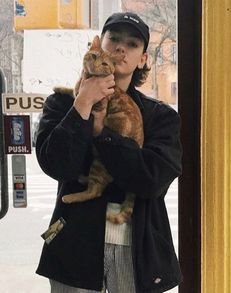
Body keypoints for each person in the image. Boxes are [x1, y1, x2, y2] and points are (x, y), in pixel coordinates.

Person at [35, 12, 183, 293]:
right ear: (97, 46)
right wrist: (83, 104)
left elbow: (151, 180)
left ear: (142, 59)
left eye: (132, 44)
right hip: (74, 248)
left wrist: (103, 132)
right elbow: (57, 165)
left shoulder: (159, 116)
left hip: (138, 252)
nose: (120, 49)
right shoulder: (62, 103)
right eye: (113, 39)